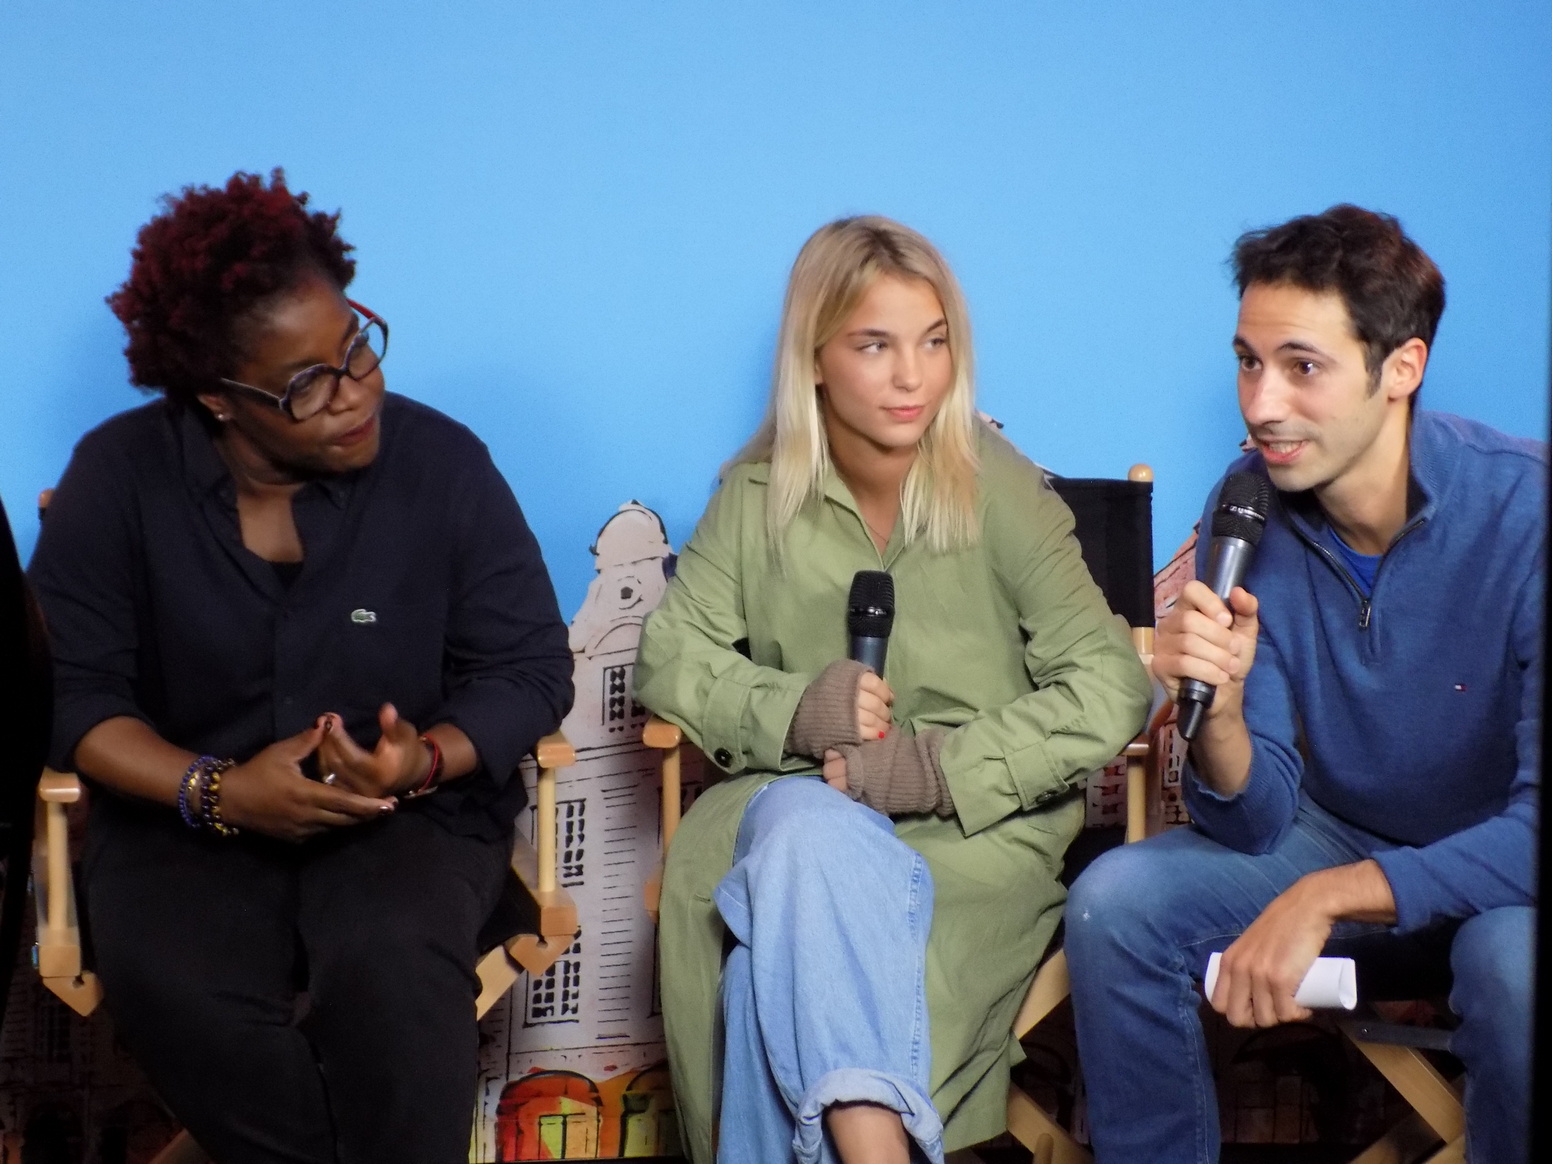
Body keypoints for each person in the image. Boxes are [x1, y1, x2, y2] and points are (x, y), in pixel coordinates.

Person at [27, 170, 574, 1164]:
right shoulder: (118, 477)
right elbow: (76, 693)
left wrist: (422, 759)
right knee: (178, 988)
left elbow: (528, 666)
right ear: (217, 399)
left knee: (393, 969)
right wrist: (216, 789)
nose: (353, 391)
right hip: (181, 828)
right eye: (304, 384)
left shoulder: (444, 467)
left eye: (355, 346)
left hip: (405, 822)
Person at [634, 216, 1151, 1164]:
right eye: (876, 345)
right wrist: (797, 710)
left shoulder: (1000, 491)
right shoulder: (755, 498)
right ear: (815, 359)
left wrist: (938, 769)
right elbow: (667, 660)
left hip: (969, 840)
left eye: (934, 342)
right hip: (792, 807)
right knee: (805, 830)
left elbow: (1112, 685)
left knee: (759, 981)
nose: (914, 377)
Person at [1066, 205, 1541, 1164]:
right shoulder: (1248, 505)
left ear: (1401, 368)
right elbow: (1253, 822)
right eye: (1248, 362)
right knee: (1115, 902)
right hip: (1338, 836)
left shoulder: (1527, 513)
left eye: (1302, 367)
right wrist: (1223, 715)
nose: (1261, 404)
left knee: (1516, 966)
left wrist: (1330, 896)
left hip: (1499, 878)